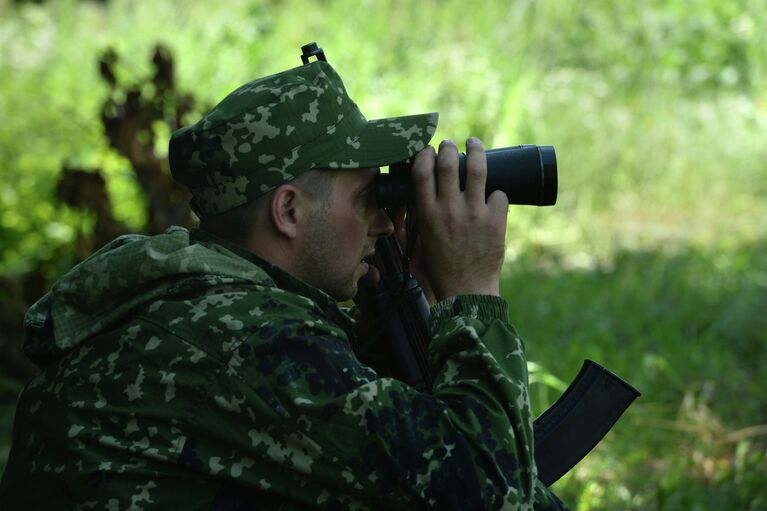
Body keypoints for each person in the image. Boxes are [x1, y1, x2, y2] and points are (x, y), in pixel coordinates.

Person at [0, 49, 568, 510]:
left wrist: (388, 321)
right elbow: (486, 494)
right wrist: (471, 290)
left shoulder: (194, 302)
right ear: (289, 211)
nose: (385, 220)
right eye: (368, 196)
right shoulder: (252, 339)